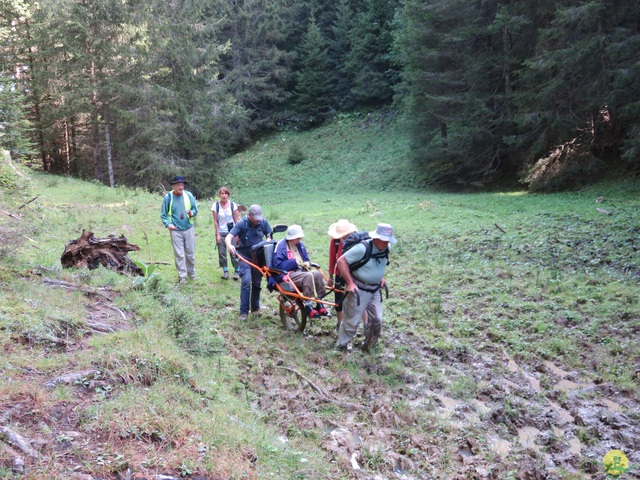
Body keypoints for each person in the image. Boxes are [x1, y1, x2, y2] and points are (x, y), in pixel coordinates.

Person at [335, 223, 396, 353]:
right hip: (359, 290)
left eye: (388, 240)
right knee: (352, 321)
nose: (386, 243)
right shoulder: (362, 248)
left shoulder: (386, 248)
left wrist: (381, 277)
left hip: (375, 290)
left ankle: (369, 346)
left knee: (377, 320)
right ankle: (342, 347)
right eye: (384, 240)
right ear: (376, 238)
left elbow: (381, 263)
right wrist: (350, 283)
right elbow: (341, 261)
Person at [226, 205, 272, 320]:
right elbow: (228, 237)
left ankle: (255, 308)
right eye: (255, 218)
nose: (257, 220)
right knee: (246, 281)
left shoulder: (263, 222)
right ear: (249, 215)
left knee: (257, 282)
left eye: (258, 217)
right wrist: (230, 245)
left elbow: (269, 235)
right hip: (244, 256)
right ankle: (244, 312)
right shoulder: (242, 223)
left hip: (258, 256)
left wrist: (268, 240)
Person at [272, 224, 329, 318]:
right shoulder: (281, 247)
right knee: (308, 276)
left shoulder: (300, 245)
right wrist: (294, 262)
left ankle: (319, 301)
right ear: (292, 237)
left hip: (301, 271)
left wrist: (307, 263)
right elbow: (278, 266)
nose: (299, 240)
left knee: (317, 274)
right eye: (297, 238)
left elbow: (306, 259)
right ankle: (308, 304)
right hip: (288, 273)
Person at [160, 176, 199, 283]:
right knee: (179, 254)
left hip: (189, 228)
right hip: (175, 230)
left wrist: (192, 213)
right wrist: (168, 224)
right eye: (178, 185)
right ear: (173, 186)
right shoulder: (168, 197)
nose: (180, 187)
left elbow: (195, 210)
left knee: (190, 253)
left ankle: (191, 273)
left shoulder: (189, 195)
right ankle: (182, 276)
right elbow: (163, 214)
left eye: (182, 185)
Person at [327, 219, 358, 329]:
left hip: (353, 274)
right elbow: (332, 259)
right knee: (339, 299)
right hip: (339, 274)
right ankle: (340, 323)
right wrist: (330, 276)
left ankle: (351, 323)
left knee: (353, 299)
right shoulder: (335, 241)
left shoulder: (356, 239)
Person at [211, 186, 240, 280]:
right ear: (219, 195)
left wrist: (239, 233)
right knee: (222, 253)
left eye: (226, 193)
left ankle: (237, 271)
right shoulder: (215, 206)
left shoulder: (233, 205)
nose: (224, 196)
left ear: (228, 195)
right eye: (222, 193)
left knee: (233, 251)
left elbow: (236, 220)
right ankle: (225, 271)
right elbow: (215, 221)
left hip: (232, 232)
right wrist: (218, 234)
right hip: (221, 231)